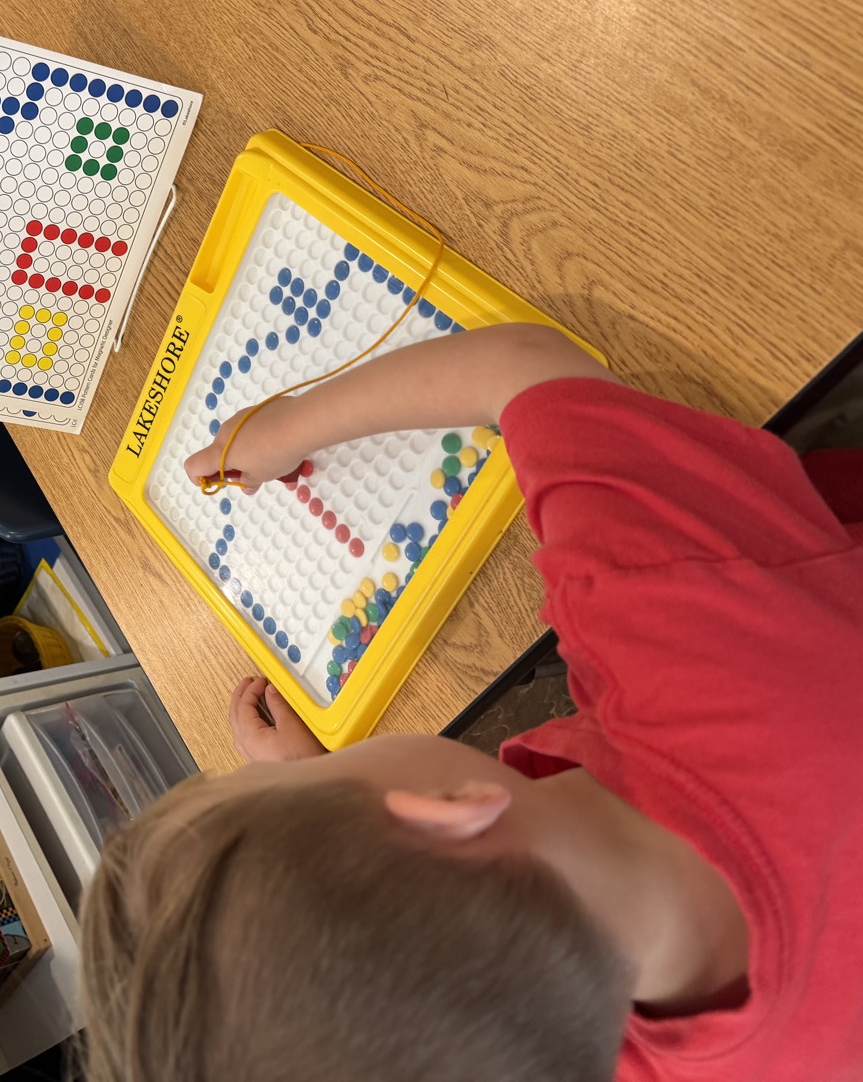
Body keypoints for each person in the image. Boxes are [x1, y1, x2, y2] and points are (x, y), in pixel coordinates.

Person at [80, 323, 863, 1082]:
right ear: (442, 809)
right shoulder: (679, 627)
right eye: (253, 783)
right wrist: (281, 428)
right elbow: (523, 362)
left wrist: (327, 799)